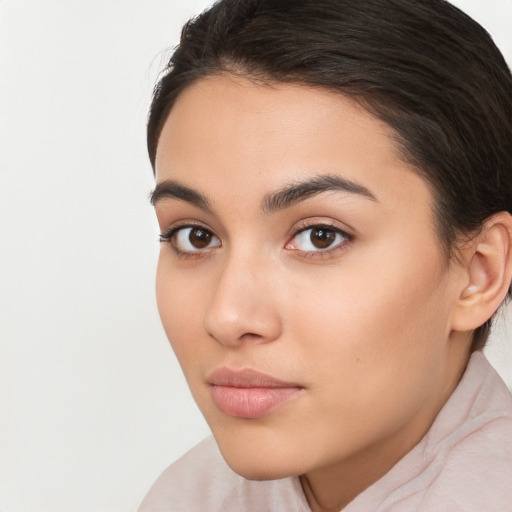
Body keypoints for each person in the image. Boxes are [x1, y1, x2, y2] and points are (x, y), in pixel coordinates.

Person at [138, 0, 512, 510]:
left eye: (320, 236)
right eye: (195, 236)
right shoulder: (185, 496)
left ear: (479, 272)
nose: (226, 317)